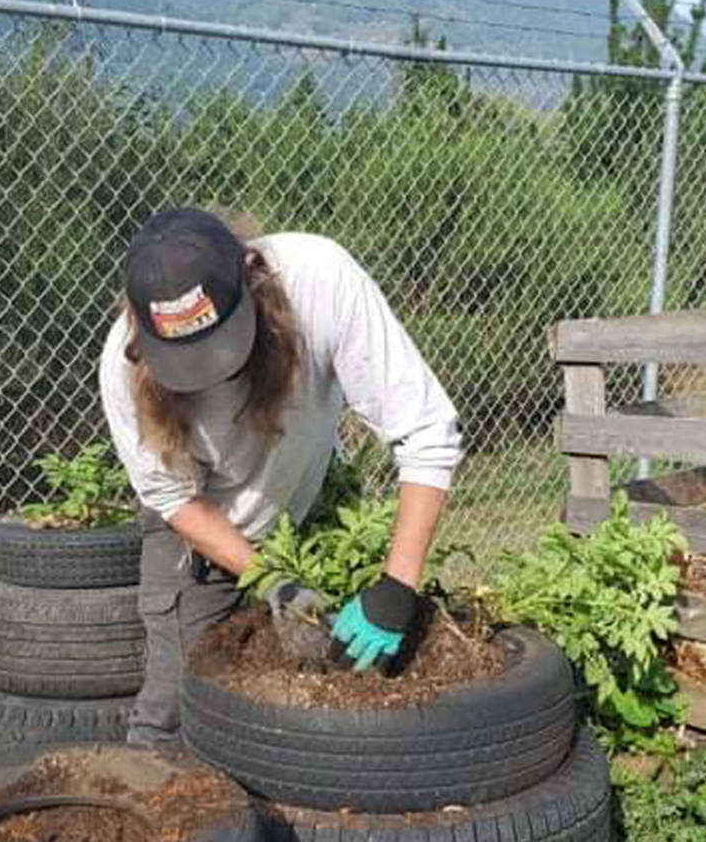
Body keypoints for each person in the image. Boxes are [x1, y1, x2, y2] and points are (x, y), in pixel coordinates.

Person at [99, 207, 462, 750]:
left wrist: (396, 587)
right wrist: (272, 579)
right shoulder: (121, 366)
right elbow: (174, 499)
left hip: (303, 505)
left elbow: (426, 429)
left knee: (316, 697)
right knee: (175, 711)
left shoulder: (320, 279)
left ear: (252, 273)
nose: (213, 373)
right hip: (203, 536)